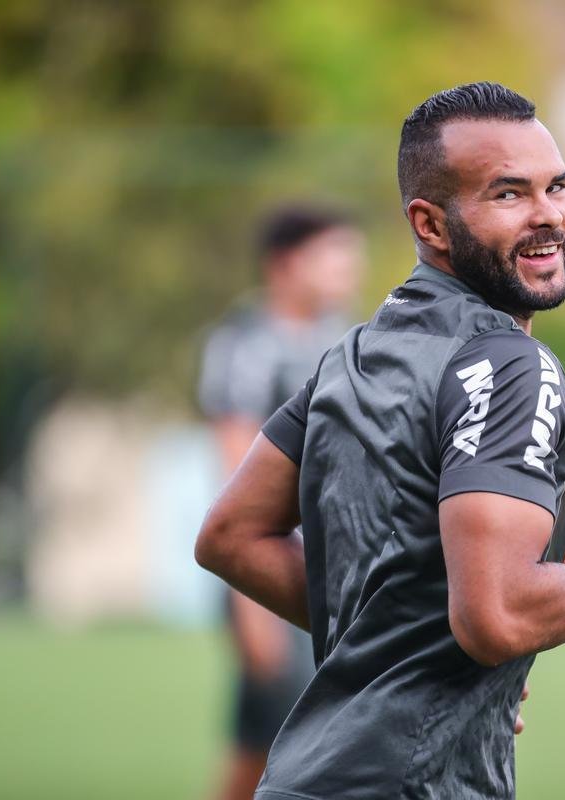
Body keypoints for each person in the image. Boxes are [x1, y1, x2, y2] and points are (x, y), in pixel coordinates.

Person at [195, 82, 565, 799]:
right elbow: (495, 616)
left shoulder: (354, 353)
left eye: (557, 187)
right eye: (508, 195)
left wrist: (412, 652)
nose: (549, 216)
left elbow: (229, 535)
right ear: (430, 225)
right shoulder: (507, 362)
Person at [196, 206, 365, 800]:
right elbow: (233, 470)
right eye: (334, 253)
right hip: (275, 567)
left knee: (287, 743)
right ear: (286, 265)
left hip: (339, 570)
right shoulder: (247, 345)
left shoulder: (348, 338)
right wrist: (251, 606)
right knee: (274, 746)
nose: (351, 265)